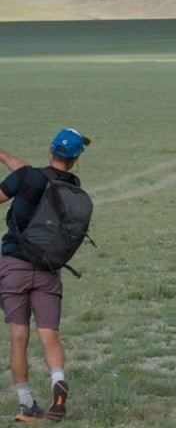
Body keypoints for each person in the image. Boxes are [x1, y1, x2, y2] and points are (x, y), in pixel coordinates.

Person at [0, 128, 90, 423]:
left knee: (18, 338)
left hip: (14, 266)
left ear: (49, 148)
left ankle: (27, 405)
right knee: (49, 335)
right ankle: (57, 380)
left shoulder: (26, 178)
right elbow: (36, 174)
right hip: (49, 269)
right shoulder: (72, 185)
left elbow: (27, 176)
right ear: (75, 160)